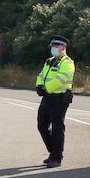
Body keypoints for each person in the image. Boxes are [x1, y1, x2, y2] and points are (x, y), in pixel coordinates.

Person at [35, 35, 74, 168]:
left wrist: (46, 88)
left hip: (59, 99)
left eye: (55, 47)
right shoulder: (49, 61)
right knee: (41, 125)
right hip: (47, 98)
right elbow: (41, 75)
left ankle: (56, 157)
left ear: (63, 48)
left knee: (57, 128)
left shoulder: (67, 63)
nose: (53, 49)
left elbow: (60, 80)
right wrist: (39, 86)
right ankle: (53, 152)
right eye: (52, 47)